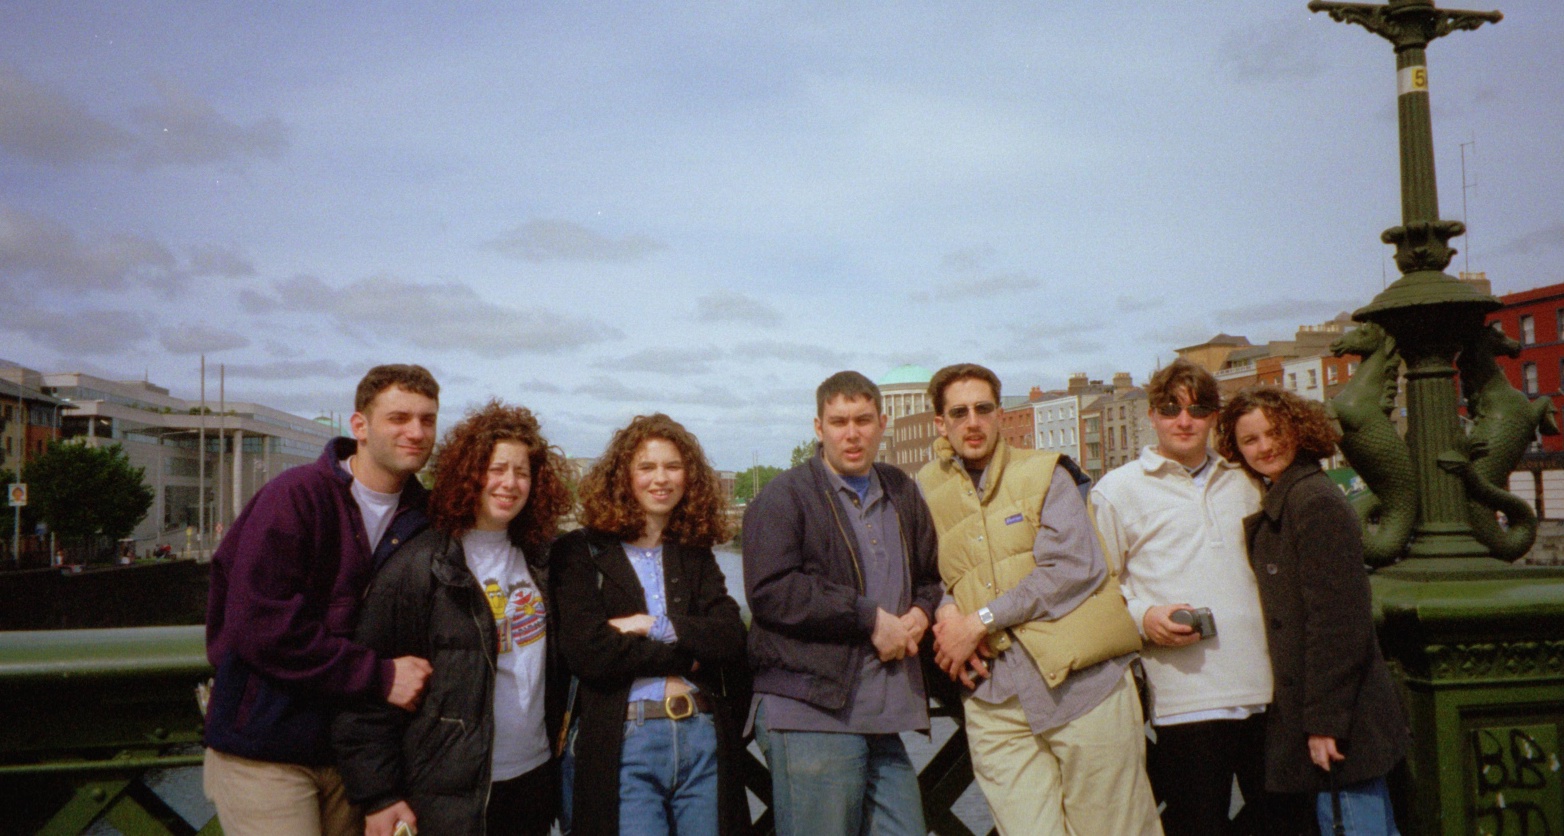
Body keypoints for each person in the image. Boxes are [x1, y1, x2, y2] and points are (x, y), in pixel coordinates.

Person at [916, 363, 1159, 836]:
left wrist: (981, 621)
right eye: (959, 412)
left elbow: (1071, 568)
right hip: (995, 701)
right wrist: (946, 610)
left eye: (983, 409)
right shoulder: (924, 490)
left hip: (1081, 687)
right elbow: (920, 571)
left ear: (1000, 415)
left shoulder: (1047, 472)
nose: (973, 422)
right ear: (939, 423)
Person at [203, 364, 439, 836]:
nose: (416, 431)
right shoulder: (296, 496)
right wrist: (380, 674)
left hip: (356, 761)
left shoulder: (427, 517)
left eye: (427, 419)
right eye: (398, 418)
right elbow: (260, 627)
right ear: (360, 427)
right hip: (267, 750)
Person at [1091, 358, 1311, 835]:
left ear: (1215, 416)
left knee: (1287, 826)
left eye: (1198, 408)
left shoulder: (1250, 481)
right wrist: (1143, 617)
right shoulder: (1116, 491)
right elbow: (1096, 588)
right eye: (1170, 409)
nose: (1184, 420)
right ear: (1152, 414)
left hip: (1268, 694)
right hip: (1185, 701)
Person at [333, 401, 574, 835]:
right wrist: (379, 796)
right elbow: (367, 701)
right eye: (496, 469)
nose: (509, 483)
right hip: (449, 794)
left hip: (534, 779)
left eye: (522, 472)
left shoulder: (545, 561)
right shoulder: (419, 566)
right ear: (469, 474)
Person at [743, 371, 942, 836]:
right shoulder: (784, 496)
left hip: (882, 712)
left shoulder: (901, 489)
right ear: (818, 428)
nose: (851, 433)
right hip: (809, 710)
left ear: (882, 423)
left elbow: (930, 577)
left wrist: (922, 613)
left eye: (862, 420)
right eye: (838, 422)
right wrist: (868, 617)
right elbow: (772, 590)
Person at [1216, 386, 1409, 836]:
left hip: (1342, 726)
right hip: (1329, 719)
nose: (1264, 447)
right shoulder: (1293, 498)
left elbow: (1339, 623)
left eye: (1274, 433)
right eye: (1250, 440)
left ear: (1298, 432)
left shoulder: (1314, 502)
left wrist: (1324, 725)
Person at [552, 413, 751, 836]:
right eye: (646, 467)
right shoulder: (581, 552)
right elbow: (590, 651)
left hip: (701, 735)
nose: (661, 479)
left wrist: (652, 624)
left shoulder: (692, 552)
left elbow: (730, 634)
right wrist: (689, 658)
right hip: (625, 740)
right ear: (623, 476)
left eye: (672, 467)